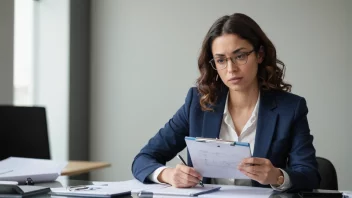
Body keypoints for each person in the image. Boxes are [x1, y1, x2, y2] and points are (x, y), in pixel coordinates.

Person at [131, 13, 320, 192]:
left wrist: (277, 176)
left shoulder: (290, 108)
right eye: (221, 60)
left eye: (240, 56)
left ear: (259, 55)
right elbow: (143, 159)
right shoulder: (198, 103)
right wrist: (169, 175)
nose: (231, 69)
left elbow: (310, 175)